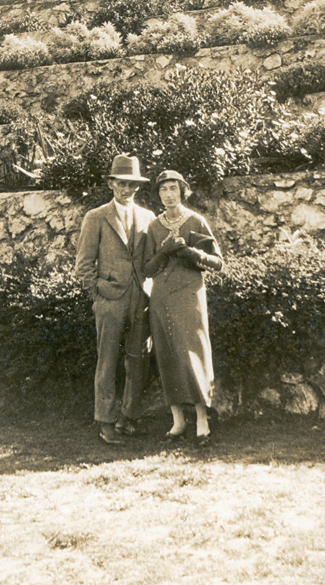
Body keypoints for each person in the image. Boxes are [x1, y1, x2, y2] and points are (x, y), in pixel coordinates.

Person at [75, 155, 155, 445]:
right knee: (107, 362)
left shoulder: (148, 217)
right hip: (109, 301)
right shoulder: (95, 217)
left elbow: (152, 260)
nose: (127, 190)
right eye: (122, 183)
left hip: (140, 298)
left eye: (132, 185)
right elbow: (83, 265)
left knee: (138, 361)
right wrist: (98, 293)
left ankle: (128, 418)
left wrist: (151, 287)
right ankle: (106, 422)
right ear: (111, 184)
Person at [143, 169, 222, 443]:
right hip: (162, 298)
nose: (168, 194)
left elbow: (218, 262)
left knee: (193, 353)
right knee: (167, 354)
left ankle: (202, 418)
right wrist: (164, 251)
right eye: (163, 190)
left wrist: (192, 253)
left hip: (189, 296)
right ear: (158, 194)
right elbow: (147, 268)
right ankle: (177, 421)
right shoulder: (154, 227)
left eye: (173, 189)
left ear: (183, 191)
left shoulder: (196, 221)